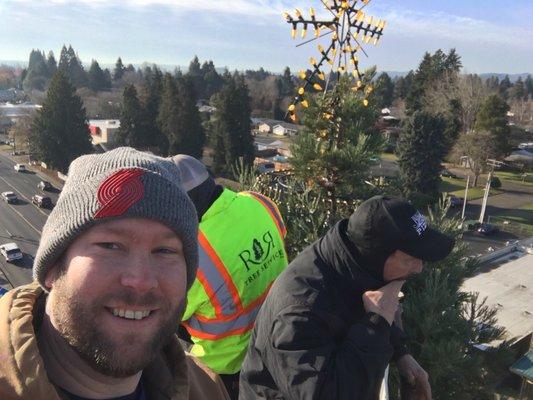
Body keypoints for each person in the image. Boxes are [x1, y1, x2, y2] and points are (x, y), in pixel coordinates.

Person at [0, 147, 229, 400]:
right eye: (110, 246)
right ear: (53, 267)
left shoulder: (206, 388)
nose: (141, 281)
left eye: (164, 250)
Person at [239, 195, 455, 400]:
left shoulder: (354, 261)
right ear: (377, 256)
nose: (418, 268)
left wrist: (401, 354)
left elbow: (380, 307)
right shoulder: (299, 314)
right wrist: (375, 324)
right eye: (410, 259)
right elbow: (328, 394)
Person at [170, 155, 288, 398]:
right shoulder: (257, 202)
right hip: (281, 335)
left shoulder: (191, 253)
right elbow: (281, 234)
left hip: (227, 367)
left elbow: (167, 313)